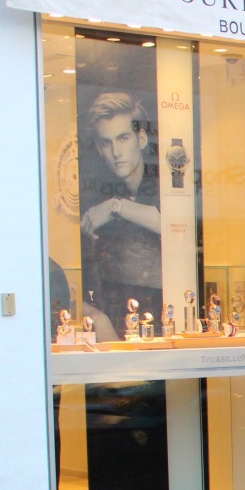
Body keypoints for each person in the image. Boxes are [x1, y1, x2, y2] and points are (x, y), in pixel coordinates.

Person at [80, 92, 162, 338]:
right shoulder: (95, 196)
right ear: (98, 147)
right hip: (117, 315)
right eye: (106, 142)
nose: (116, 151)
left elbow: (177, 227)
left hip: (161, 317)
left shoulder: (163, 185)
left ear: (142, 138)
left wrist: (116, 206)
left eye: (123, 138)